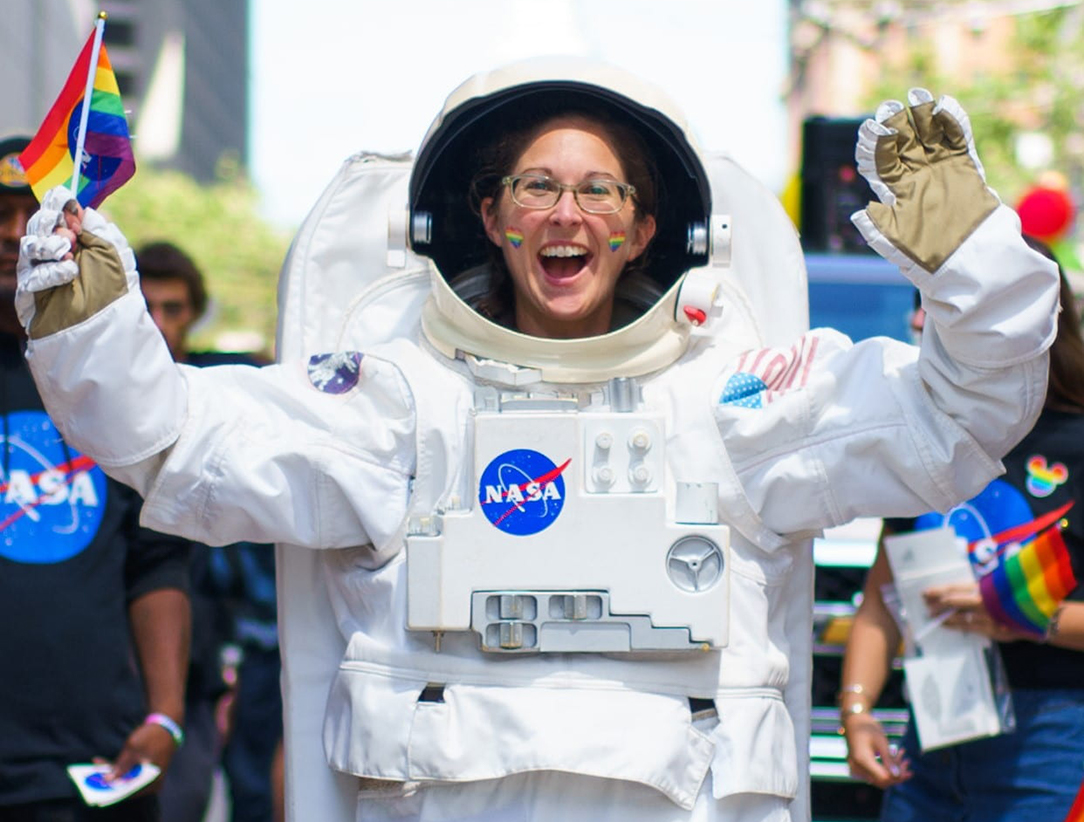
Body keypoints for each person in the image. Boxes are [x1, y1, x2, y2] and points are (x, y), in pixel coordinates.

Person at [14, 61, 1061, 822]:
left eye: (599, 189)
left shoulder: (732, 401)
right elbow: (173, 443)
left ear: (645, 231)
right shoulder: (397, 397)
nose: (568, 210)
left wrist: (969, 259)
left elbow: (958, 416)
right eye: (537, 187)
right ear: (490, 216)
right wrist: (88, 321)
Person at [839, 238, 1084, 821]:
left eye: (946, 304)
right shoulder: (927, 440)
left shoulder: (1077, 442)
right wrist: (858, 711)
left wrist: (1025, 614)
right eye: (924, 301)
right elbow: (883, 593)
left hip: (1052, 737)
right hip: (932, 727)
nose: (922, 319)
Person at [0, 136, 192, 821]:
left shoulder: (107, 384)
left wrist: (166, 716)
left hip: (94, 769)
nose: (10, 230)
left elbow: (158, 558)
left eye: (31, 212)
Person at [136, 241, 282, 822]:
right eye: (146, 308)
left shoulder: (220, 393)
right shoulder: (98, 406)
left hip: (236, 646)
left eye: (173, 309)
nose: (159, 324)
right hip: (139, 655)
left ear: (194, 313)